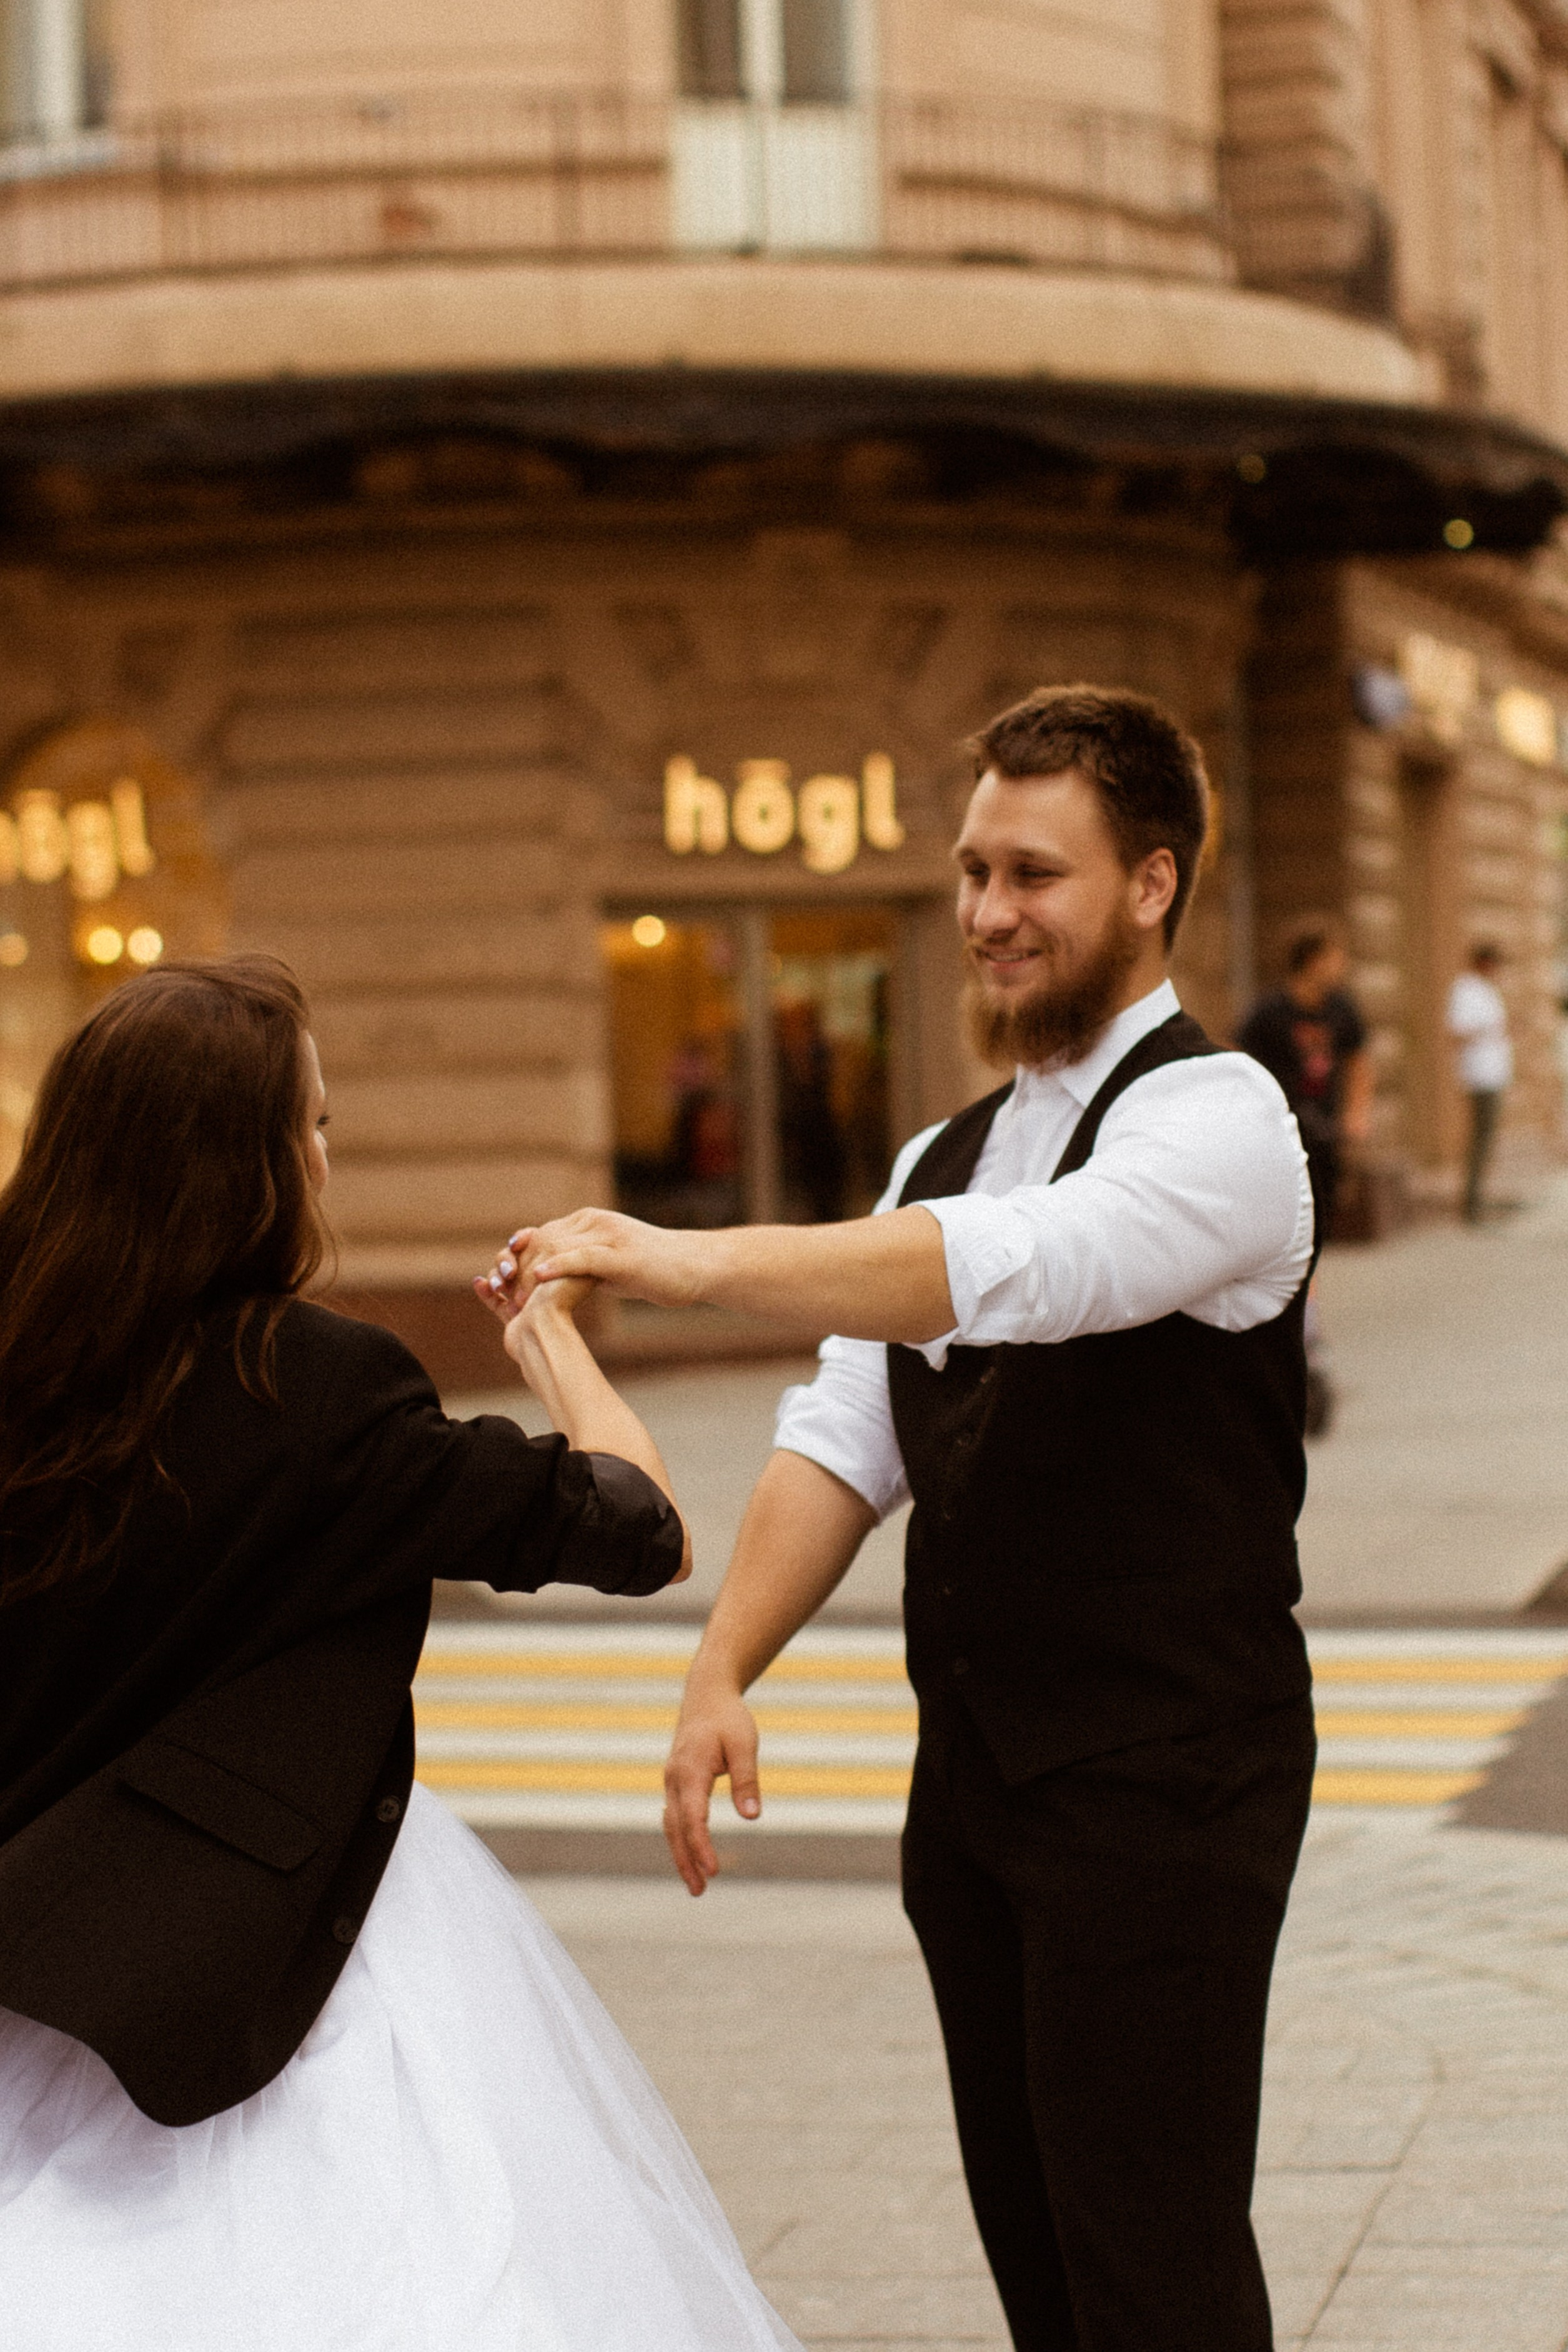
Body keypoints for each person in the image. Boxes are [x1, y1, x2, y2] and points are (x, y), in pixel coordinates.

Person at [490, 686, 1318, 2352]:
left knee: (1147, 2250)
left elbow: (1024, 1267)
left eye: (1033, 874)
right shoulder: (941, 1144)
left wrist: (687, 1253)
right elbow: (845, 1431)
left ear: (1149, 884)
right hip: (981, 1786)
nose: (985, 913)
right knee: (1037, 2248)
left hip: (1168, 1774)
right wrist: (720, 1660)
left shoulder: (1217, 1119)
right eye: (968, 871)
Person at [0, 956, 801, 2352]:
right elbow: (643, 1527)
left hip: (28, 1958)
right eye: (312, 1125)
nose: (324, 1157)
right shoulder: (319, 1389)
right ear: (244, 1167)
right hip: (276, 1959)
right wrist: (549, 1341)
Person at [1237, 921, 1373, 1251]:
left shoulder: (1342, 1009)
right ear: (1315, 960)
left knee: (1320, 1223)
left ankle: (1309, 1295)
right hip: (1280, 1131)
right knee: (1287, 1222)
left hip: (1325, 1129)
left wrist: (1357, 1114)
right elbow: (1236, 1059)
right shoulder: (1270, 1012)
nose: (1343, 965)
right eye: (1337, 957)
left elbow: (1359, 1063)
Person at [1447, 942, 1512, 1223]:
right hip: (1480, 1074)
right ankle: (1472, 1203)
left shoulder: (1486, 989)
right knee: (1480, 1140)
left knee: (1487, 1139)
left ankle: (1479, 1199)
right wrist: (1488, 1030)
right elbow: (1458, 1029)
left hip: (1494, 1073)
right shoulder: (1466, 989)